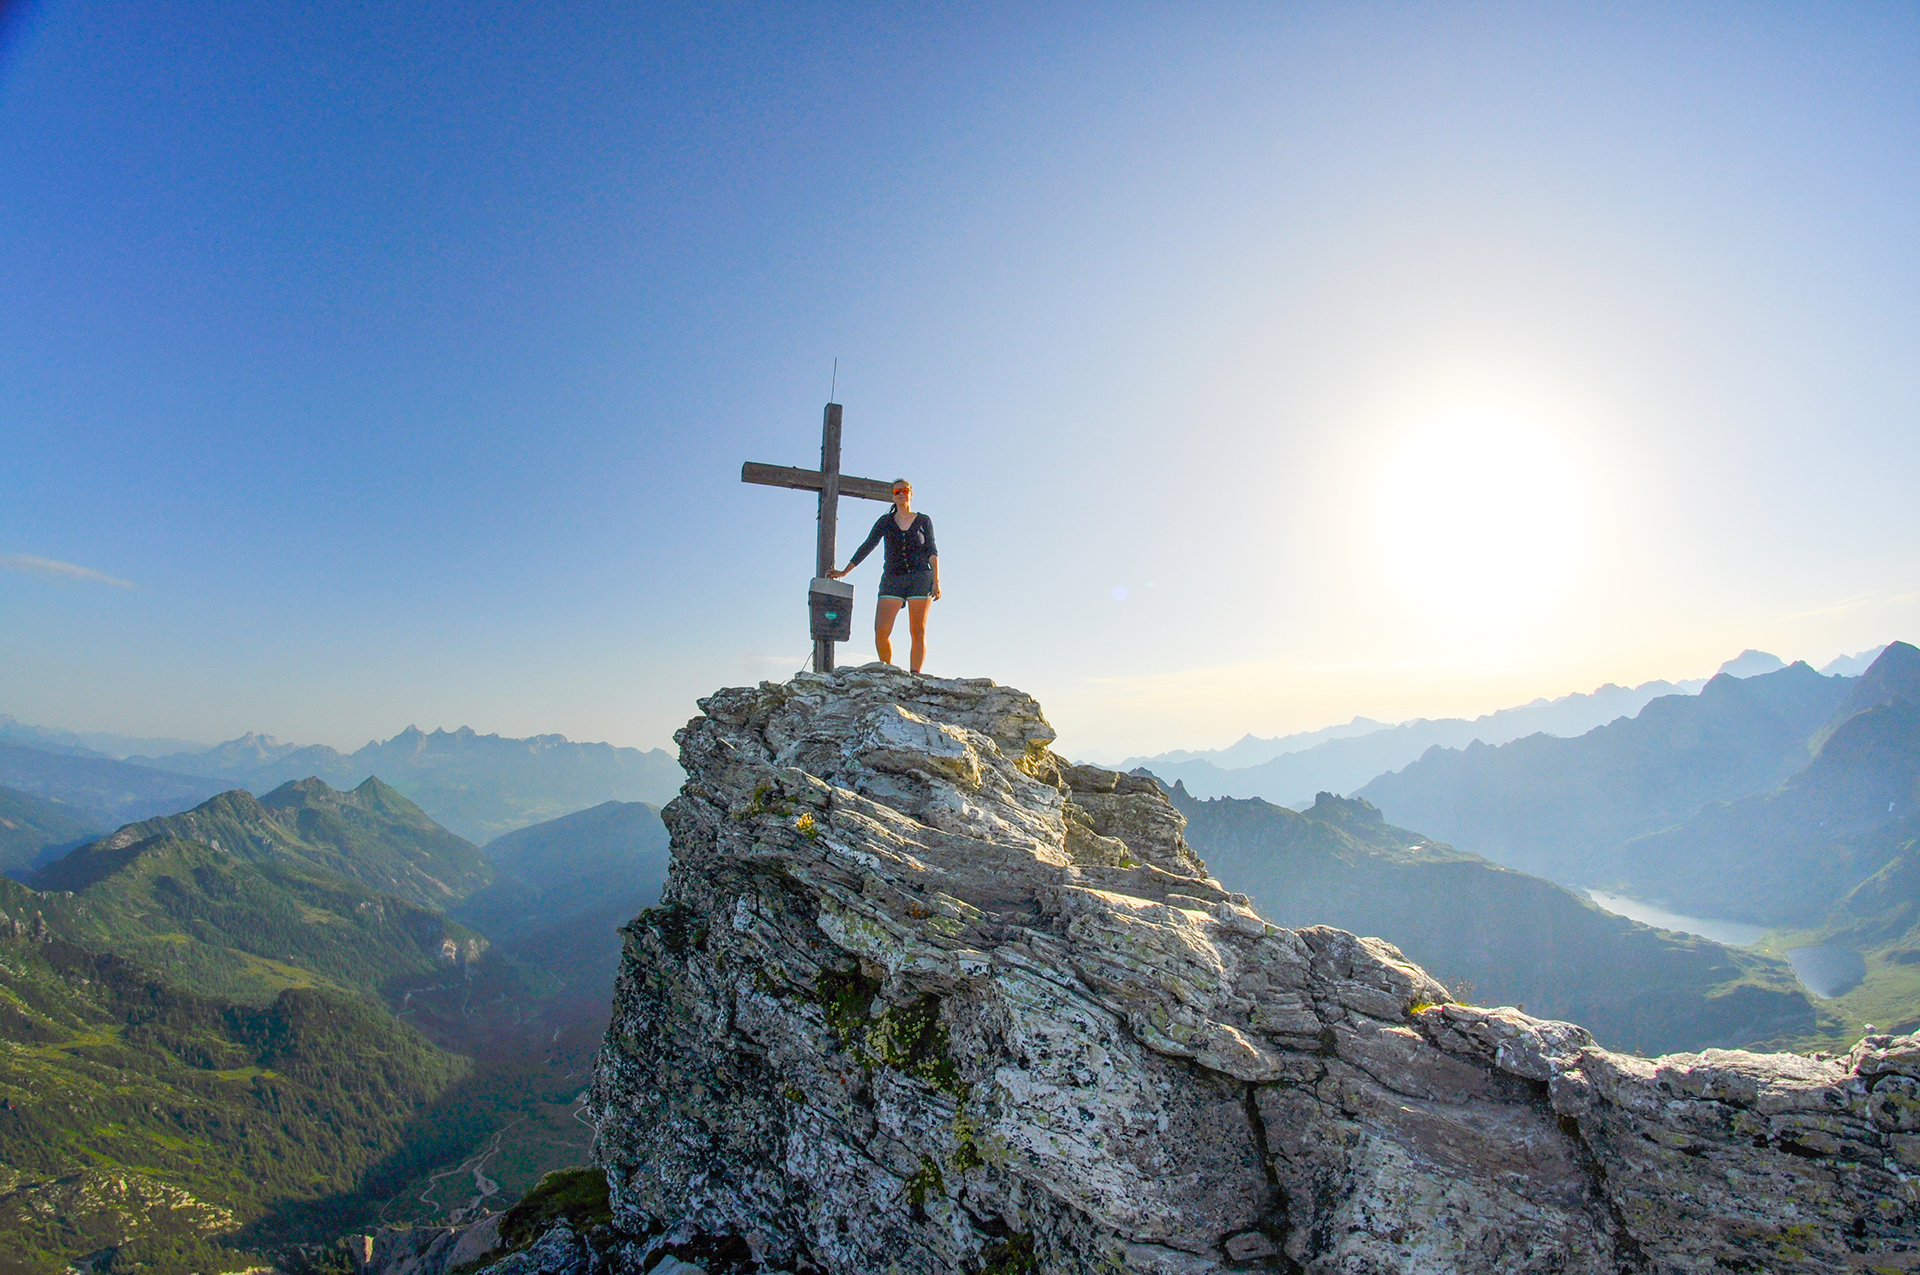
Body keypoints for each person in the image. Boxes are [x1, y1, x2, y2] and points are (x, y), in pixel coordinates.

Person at [829, 479, 939, 673]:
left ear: (911, 494)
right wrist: (844, 571)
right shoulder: (885, 521)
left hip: (920, 577)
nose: (901, 494)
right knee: (881, 631)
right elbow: (867, 545)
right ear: (892, 496)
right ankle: (889, 672)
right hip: (892, 578)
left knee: (917, 630)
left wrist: (936, 580)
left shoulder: (923, 520)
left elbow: (932, 550)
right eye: (897, 491)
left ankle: (915, 676)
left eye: (905, 490)